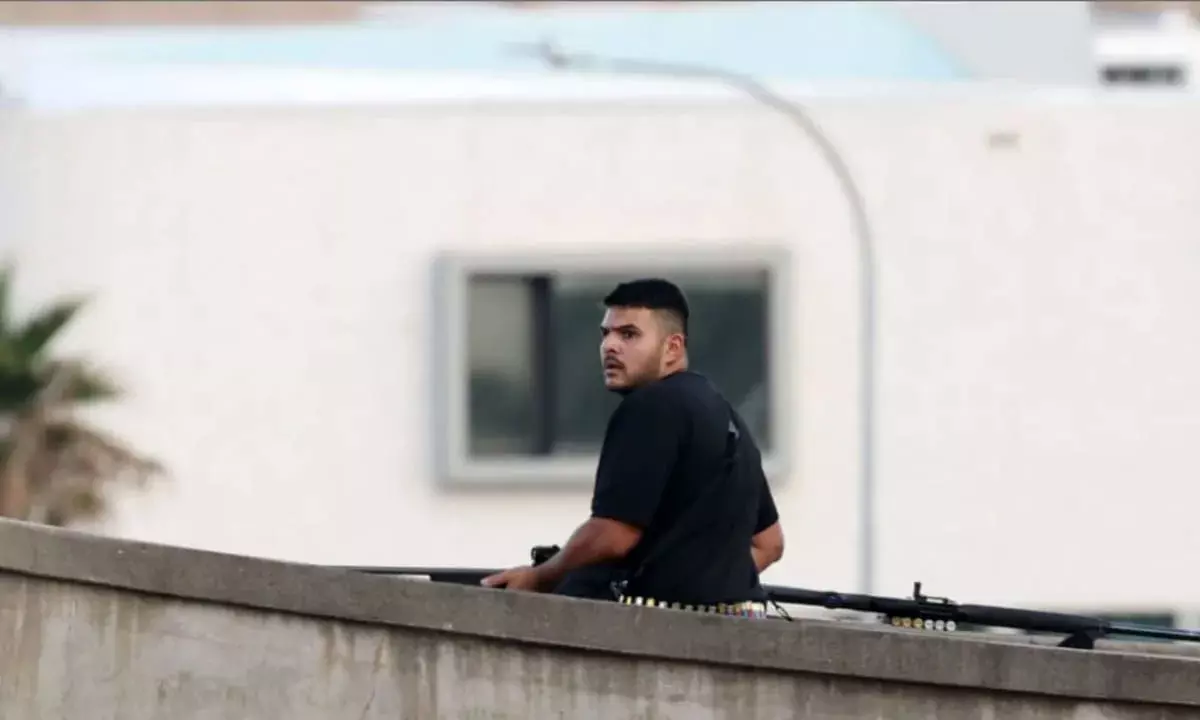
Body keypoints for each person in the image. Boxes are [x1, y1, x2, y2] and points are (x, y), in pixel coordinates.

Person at [481, 278, 784, 616]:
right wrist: (710, 588)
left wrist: (540, 577)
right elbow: (769, 543)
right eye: (605, 334)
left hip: (659, 634)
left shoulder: (652, 406)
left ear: (673, 347)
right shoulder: (725, 414)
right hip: (745, 625)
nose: (610, 346)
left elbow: (613, 534)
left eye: (628, 335)